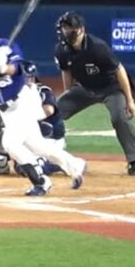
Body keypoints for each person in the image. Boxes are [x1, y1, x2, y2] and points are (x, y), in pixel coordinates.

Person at [0, 11, 86, 196]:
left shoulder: (7, 46)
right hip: (5, 110)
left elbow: (18, 68)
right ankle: (75, 165)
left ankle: (41, 181)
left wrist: (3, 66)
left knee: (10, 142)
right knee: (38, 145)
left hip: (23, 101)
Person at [53, 11, 135, 175]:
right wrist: (68, 95)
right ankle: (48, 156)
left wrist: (130, 100)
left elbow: (119, 70)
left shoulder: (97, 47)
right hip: (84, 88)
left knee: (119, 118)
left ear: (81, 29)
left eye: (69, 28)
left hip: (111, 88)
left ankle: (134, 159)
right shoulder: (61, 50)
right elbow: (66, 73)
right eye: (64, 28)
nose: (66, 31)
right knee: (52, 112)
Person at [0, 60, 68, 178]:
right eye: (25, 78)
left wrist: (23, 117)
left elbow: (48, 110)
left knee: (24, 169)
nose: (28, 81)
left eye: (30, 77)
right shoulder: (11, 94)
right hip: (29, 137)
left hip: (49, 139)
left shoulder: (42, 91)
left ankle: (60, 163)